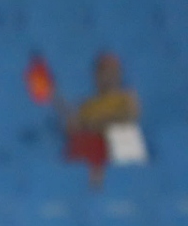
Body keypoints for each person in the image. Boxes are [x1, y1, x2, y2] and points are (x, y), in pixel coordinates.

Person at [56, 52, 143, 187]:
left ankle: (127, 183)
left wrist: (92, 124)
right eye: (104, 72)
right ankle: (87, 186)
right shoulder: (88, 105)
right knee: (79, 139)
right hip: (95, 150)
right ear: (96, 76)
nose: (108, 77)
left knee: (125, 134)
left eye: (113, 72)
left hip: (118, 150)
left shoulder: (127, 98)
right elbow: (72, 126)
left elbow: (129, 117)